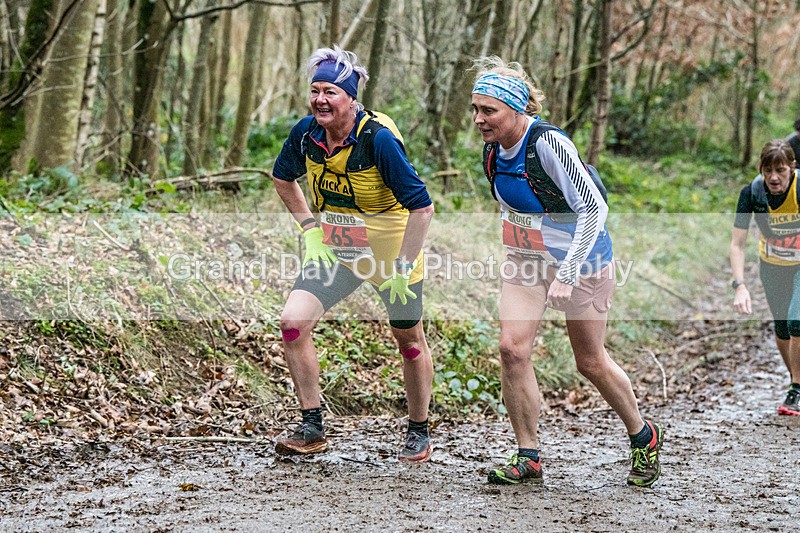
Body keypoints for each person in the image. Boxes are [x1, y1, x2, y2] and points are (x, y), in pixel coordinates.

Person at [470, 57, 663, 486]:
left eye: (489, 111)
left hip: (585, 260)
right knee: (511, 349)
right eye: (476, 109)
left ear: (517, 110)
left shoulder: (549, 145)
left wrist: (569, 272)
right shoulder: (492, 151)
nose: (479, 119)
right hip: (527, 262)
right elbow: (513, 208)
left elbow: (594, 208)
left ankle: (643, 434)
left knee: (590, 361)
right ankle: (528, 455)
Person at [271, 46, 436, 461]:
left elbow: (423, 207)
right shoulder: (306, 133)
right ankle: (312, 426)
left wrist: (403, 264)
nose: (321, 99)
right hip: (339, 254)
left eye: (331, 91)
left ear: (351, 98)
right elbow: (282, 178)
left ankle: (419, 429)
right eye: (315, 90)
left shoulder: (377, 140)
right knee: (292, 323)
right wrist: (310, 228)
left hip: (390, 257)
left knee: (409, 341)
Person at [730, 139, 800, 416]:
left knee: (797, 321)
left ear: (792, 168)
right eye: (767, 170)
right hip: (772, 266)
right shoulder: (752, 193)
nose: (773, 177)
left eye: (780, 170)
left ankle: (795, 388)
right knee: (783, 327)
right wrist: (740, 285)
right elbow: (737, 244)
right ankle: (796, 382)